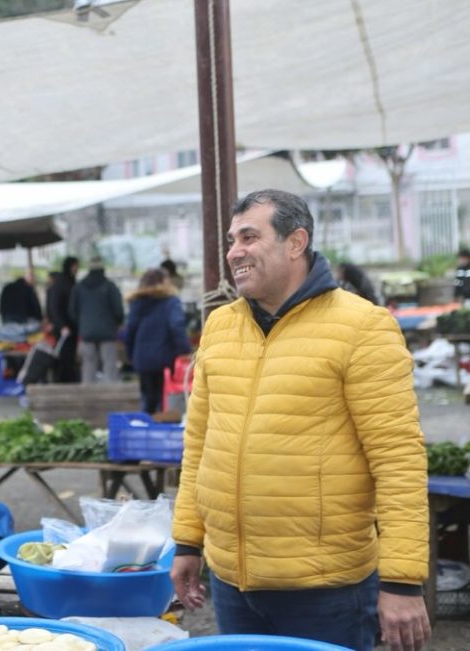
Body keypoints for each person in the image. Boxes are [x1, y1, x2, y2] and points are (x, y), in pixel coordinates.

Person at [171, 190, 430, 651]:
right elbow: (200, 444)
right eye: (231, 241)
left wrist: (402, 581)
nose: (234, 252)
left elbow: (398, 460)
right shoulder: (221, 327)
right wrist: (188, 542)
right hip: (233, 583)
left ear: (295, 242)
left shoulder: (363, 327)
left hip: (326, 590)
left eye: (249, 237)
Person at [124, 268, 192, 414]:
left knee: (148, 401)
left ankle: (147, 424)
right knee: (165, 401)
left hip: (142, 360)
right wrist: (185, 350)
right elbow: (176, 326)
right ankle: (162, 424)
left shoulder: (136, 303)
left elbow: (129, 332)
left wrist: (131, 356)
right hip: (166, 359)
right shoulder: (171, 302)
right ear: (164, 282)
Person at [69, 255, 125, 383]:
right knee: (109, 364)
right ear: (102, 268)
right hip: (108, 332)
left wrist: (82, 324)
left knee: (88, 365)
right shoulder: (110, 286)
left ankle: (87, 392)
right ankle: (111, 393)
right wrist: (118, 323)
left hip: (86, 331)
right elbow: (118, 310)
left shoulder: (78, 287)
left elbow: (72, 311)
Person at [45, 256, 80, 382]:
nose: (77, 269)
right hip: (64, 328)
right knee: (64, 356)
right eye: (76, 266)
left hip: (70, 327)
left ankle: (68, 379)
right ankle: (63, 380)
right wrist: (62, 325)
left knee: (69, 356)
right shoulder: (62, 283)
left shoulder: (68, 282)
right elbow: (54, 307)